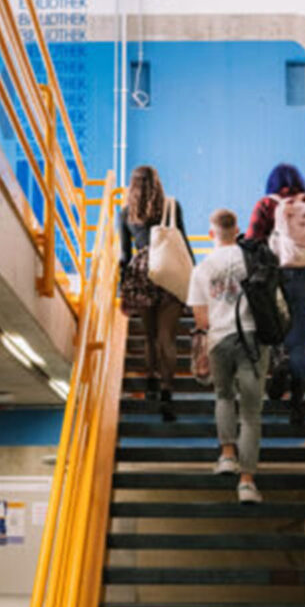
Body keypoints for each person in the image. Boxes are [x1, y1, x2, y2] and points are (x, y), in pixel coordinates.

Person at [188, 208, 268, 504]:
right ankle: (247, 483)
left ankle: (227, 456)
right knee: (250, 414)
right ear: (237, 231)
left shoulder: (202, 269)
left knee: (223, 396)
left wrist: (204, 351)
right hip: (252, 340)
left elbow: (201, 319)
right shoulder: (253, 260)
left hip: (219, 339)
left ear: (212, 233)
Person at [247, 164, 305, 425]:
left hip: (277, 278)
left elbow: (252, 240)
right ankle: (297, 405)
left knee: (275, 331)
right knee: (298, 341)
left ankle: (279, 365)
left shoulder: (266, 205)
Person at [119, 165, 194, 422]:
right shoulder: (172, 207)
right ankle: (167, 393)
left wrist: (123, 288)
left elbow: (123, 256)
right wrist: (192, 278)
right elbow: (182, 244)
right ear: (158, 183)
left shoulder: (126, 213)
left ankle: (150, 381)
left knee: (149, 336)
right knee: (167, 338)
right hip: (169, 271)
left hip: (142, 274)